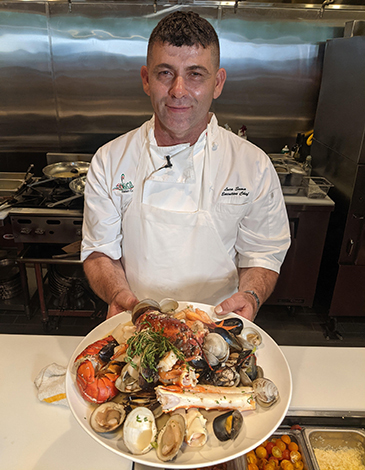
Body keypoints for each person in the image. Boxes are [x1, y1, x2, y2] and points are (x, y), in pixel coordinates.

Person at [81, 11, 291, 322]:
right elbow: (99, 252)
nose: (179, 90)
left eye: (195, 74)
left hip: (218, 326)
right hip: (138, 321)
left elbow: (263, 253)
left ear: (217, 83)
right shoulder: (110, 161)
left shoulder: (252, 165)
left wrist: (251, 295)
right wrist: (118, 295)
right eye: (165, 73)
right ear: (146, 80)